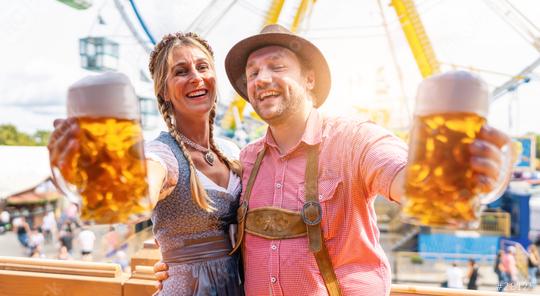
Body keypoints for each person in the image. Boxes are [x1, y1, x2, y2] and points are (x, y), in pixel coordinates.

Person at [154, 24, 511, 295]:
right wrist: (181, 263)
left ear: (310, 79)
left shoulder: (354, 140)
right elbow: (218, 230)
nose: (262, 79)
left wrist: (465, 175)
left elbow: (408, 178)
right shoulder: (245, 161)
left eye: (277, 67)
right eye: (253, 74)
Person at [47, 32, 244, 296]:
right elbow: (137, 196)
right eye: (181, 71)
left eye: (202, 66)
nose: (196, 77)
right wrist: (80, 176)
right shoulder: (162, 154)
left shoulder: (231, 152)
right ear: (163, 91)